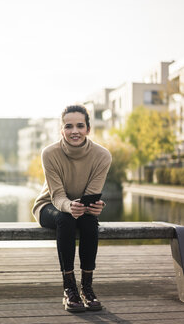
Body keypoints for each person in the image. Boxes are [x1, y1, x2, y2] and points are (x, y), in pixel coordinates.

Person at [32, 105, 112, 312]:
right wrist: (69, 206)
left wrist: (95, 206)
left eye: (80, 125)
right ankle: (69, 288)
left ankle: (86, 287)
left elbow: (92, 192)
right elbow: (57, 194)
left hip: (81, 208)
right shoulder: (49, 153)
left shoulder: (102, 155)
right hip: (49, 206)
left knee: (89, 220)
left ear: (88, 129)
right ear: (62, 130)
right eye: (68, 126)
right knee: (65, 219)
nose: (74, 130)